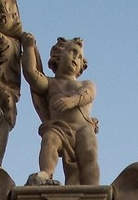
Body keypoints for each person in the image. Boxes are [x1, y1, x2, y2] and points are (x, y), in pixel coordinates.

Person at [21, 35, 99, 185]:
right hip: (59, 128)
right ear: (57, 55)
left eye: (80, 56)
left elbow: (89, 94)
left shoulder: (85, 83)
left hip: (82, 128)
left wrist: (72, 101)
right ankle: (46, 174)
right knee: (49, 140)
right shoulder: (50, 84)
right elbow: (31, 73)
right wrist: (29, 47)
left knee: (89, 153)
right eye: (73, 52)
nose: (76, 58)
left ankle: (93, 188)